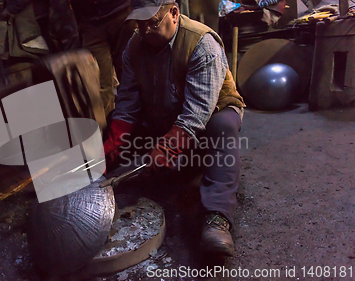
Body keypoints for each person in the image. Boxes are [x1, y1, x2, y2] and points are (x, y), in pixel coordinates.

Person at [103, 0, 246, 257]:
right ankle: (103, 179)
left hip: (205, 118)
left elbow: (195, 115)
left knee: (222, 127)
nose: (145, 31)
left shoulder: (202, 43)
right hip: (165, 117)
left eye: (152, 23)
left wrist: (167, 148)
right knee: (115, 120)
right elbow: (127, 105)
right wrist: (109, 151)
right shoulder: (134, 47)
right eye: (139, 23)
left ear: (174, 13)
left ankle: (216, 216)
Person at [70, 0, 136, 116]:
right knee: (98, 89)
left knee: (131, 75)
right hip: (90, 23)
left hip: (122, 14)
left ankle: (139, 125)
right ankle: (109, 129)